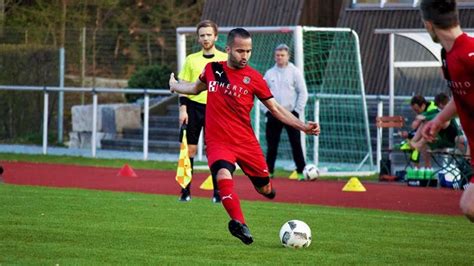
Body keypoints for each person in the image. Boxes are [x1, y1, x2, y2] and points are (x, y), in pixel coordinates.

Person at [169, 28, 320, 244]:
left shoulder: (254, 78)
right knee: (222, 175)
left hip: (246, 143)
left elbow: (275, 109)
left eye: (248, 51)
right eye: (240, 51)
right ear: (228, 49)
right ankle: (240, 224)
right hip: (218, 142)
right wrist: (175, 86)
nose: (245, 56)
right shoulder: (212, 70)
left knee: (264, 188)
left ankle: (267, 191)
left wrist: (303, 126)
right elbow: (194, 88)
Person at [420, 0, 474, 222]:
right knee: (470, 206)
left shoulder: (469, 54)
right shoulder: (447, 56)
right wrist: (440, 119)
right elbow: (461, 94)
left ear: (428, 24)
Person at [177, 20, 228, 202]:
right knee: (189, 149)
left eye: (209, 34)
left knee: (213, 150)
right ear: (198, 39)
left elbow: (228, 88)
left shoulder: (223, 59)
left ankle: (217, 193)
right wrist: (183, 110)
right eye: (202, 35)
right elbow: (183, 86)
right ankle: (185, 192)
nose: (205, 38)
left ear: (215, 36)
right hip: (193, 109)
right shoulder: (191, 59)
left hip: (215, 110)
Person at [262, 43, 308, 180]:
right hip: (274, 113)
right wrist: (267, 110)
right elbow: (261, 92)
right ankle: (269, 171)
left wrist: (297, 110)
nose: (279, 58)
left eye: (282, 55)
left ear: (288, 56)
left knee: (296, 144)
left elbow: (303, 92)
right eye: (277, 55)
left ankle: (301, 172)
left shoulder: (295, 72)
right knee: (271, 145)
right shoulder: (269, 73)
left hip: (291, 113)